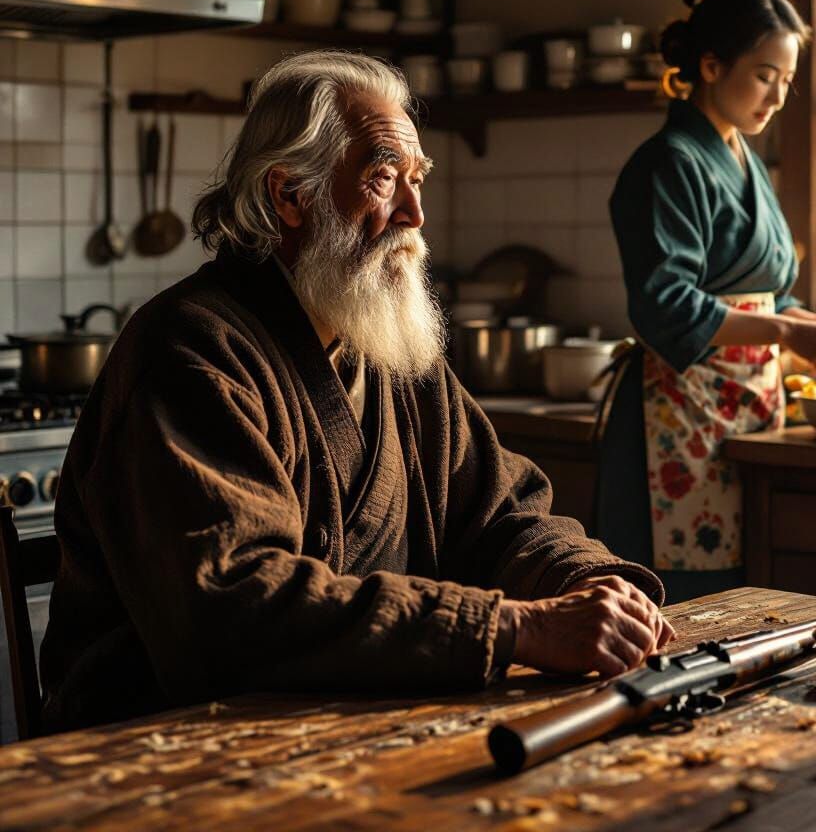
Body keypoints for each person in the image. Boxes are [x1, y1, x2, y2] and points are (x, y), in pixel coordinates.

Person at [40, 50, 673, 733]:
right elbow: (234, 606)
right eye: (382, 179)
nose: (415, 214)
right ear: (290, 196)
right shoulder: (190, 351)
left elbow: (500, 516)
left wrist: (584, 583)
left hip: (344, 725)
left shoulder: (387, 347)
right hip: (158, 749)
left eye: (417, 180)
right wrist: (517, 629)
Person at [596, 0, 816, 604]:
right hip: (676, 416)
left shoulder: (742, 156)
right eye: (765, 75)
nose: (777, 97)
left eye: (788, 81)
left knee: (747, 600)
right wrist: (785, 329)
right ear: (711, 65)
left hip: (741, 417)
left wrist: (812, 324)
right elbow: (666, 304)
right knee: (682, 607)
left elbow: (767, 293)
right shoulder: (668, 162)